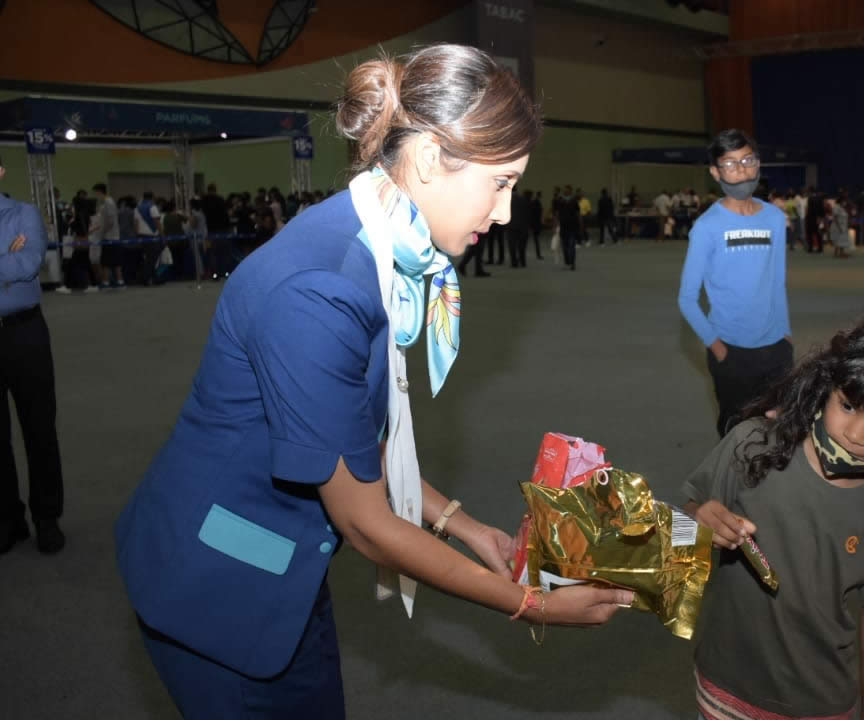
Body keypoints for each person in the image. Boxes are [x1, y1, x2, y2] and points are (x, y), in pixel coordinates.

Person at [114, 45, 630, 718]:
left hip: (288, 571)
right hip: (215, 584)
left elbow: (352, 432)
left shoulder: (373, 237)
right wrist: (532, 603)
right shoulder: (323, 289)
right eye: (499, 182)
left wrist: (465, 527)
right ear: (423, 161)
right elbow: (364, 523)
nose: (505, 213)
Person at [683, 314, 864, 720]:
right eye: (846, 405)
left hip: (820, 705)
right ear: (825, 386)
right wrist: (697, 522)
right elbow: (682, 516)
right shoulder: (752, 446)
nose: (856, 435)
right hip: (725, 688)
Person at [678, 129, 793, 438]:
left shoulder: (773, 218)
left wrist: (785, 335)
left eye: (747, 160)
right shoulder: (706, 227)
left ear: (758, 163)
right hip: (731, 351)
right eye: (730, 164)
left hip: (776, 350)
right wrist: (717, 347)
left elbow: (777, 281)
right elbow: (687, 298)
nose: (741, 169)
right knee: (736, 434)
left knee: (776, 431)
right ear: (716, 172)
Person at [0, 156, 66, 554]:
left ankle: (47, 517)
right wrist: (5, 257)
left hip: (25, 333)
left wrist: (14, 258)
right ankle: (9, 519)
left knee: (39, 428)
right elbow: (12, 262)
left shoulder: (24, 214)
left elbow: (27, 264)